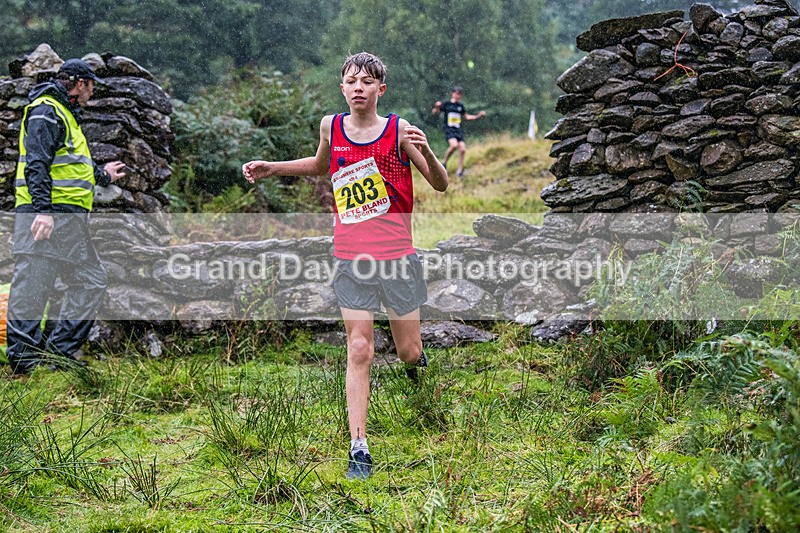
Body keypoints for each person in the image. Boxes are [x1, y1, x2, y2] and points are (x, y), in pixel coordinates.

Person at [243, 52, 448, 480]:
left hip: (396, 258)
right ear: (342, 87)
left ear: (380, 90)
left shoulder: (399, 131)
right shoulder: (330, 126)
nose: (359, 87)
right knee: (359, 348)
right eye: (352, 81)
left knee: (408, 351)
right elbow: (321, 166)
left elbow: (440, 183)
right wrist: (271, 168)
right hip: (350, 257)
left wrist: (428, 152)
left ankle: (417, 364)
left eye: (367, 82)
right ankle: (359, 447)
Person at [6, 58, 126, 375]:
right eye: (91, 86)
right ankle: (21, 370)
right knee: (32, 290)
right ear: (80, 83)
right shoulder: (46, 110)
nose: (92, 92)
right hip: (45, 217)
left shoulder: (64, 114)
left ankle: (57, 356)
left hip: (68, 220)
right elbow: (37, 165)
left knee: (90, 282)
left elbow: (70, 166)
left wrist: (102, 176)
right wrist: (43, 211)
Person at [432, 86, 486, 177]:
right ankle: (444, 163)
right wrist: (436, 107)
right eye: (456, 93)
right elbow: (434, 113)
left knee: (463, 150)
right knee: (454, 145)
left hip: (458, 130)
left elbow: (467, 117)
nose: (458, 96)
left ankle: (459, 171)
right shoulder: (446, 104)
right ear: (452, 94)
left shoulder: (460, 106)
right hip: (449, 129)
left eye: (460, 94)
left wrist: (478, 116)